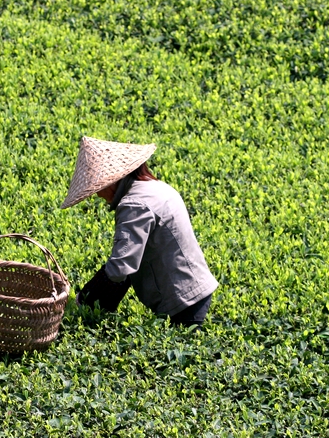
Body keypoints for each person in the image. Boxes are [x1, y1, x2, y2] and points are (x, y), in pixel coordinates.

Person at [61, 136, 219, 327]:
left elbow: (121, 267)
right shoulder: (157, 188)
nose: (96, 195)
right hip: (196, 289)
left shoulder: (134, 205)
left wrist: (82, 302)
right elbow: (129, 264)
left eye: (96, 188)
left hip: (183, 304)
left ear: (111, 182)